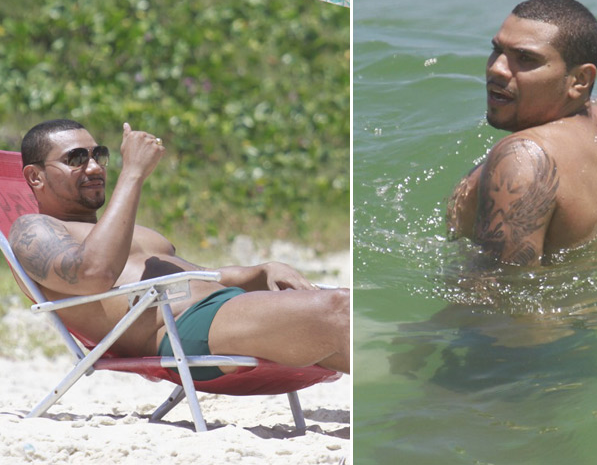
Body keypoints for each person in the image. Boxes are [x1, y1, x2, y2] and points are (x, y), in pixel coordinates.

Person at [10, 119, 349, 379]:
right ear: (36, 177)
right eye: (76, 159)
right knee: (339, 309)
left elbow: (198, 277)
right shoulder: (34, 229)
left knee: (365, 312)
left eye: (98, 155)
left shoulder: (127, 233)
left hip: (227, 310)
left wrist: (260, 271)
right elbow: (94, 275)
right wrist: (133, 173)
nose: (96, 167)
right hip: (183, 331)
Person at [447, 0, 597, 266]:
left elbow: (500, 294)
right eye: (497, 50)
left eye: (525, 58)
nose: (496, 68)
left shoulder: (522, 158)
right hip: (592, 304)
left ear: (580, 80)